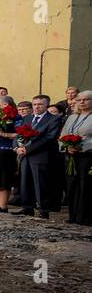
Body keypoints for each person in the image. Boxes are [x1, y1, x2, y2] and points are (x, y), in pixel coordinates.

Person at [12, 95, 62, 218]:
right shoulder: (28, 118)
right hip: (24, 155)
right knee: (25, 181)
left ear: (47, 105)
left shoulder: (53, 119)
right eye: (34, 104)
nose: (36, 106)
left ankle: (44, 209)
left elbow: (49, 138)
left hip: (40, 154)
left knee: (40, 182)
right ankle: (27, 207)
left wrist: (27, 149)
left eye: (40, 104)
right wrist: (16, 148)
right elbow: (19, 134)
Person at [61, 90, 92, 225]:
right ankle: (73, 215)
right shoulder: (72, 117)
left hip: (87, 156)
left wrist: (82, 146)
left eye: (86, 99)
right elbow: (62, 135)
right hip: (71, 155)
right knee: (71, 185)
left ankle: (85, 217)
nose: (82, 102)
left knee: (85, 185)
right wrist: (66, 146)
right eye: (79, 100)